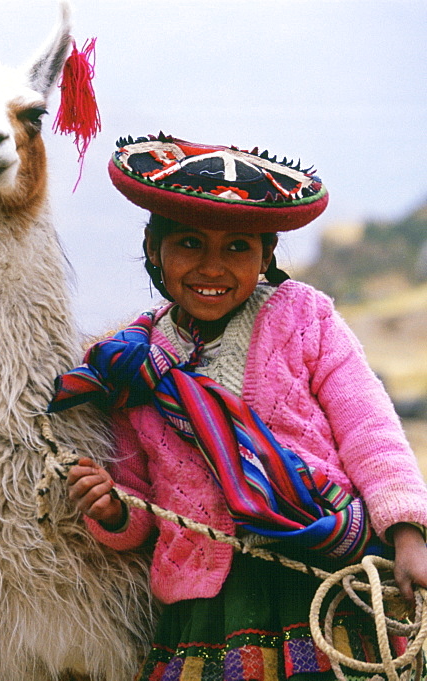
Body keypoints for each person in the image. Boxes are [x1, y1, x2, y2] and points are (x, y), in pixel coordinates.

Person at [49, 134, 427, 680]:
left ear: (266, 254)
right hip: (206, 608)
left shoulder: (305, 319)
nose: (212, 267)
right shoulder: (129, 364)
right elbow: (138, 492)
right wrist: (111, 509)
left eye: (236, 248)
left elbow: (369, 430)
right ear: (154, 249)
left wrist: (409, 536)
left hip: (319, 576)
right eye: (189, 244)